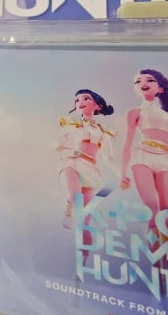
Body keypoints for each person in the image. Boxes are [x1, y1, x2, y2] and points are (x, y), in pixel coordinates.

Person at [119, 69, 168, 239]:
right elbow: (127, 143)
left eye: (150, 80)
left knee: (167, 216)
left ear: (160, 89)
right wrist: (123, 173)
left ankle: (163, 254)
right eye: (138, 81)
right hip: (142, 156)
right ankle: (154, 250)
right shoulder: (134, 112)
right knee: (152, 209)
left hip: (166, 159)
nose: (143, 83)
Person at [56, 88, 116, 230]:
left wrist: (121, 174)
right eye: (77, 100)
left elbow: (108, 158)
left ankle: (84, 237)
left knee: (86, 214)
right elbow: (59, 146)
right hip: (72, 162)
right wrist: (69, 150)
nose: (80, 102)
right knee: (75, 195)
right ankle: (69, 207)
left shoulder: (103, 131)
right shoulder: (72, 125)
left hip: (91, 168)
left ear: (98, 106)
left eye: (86, 98)